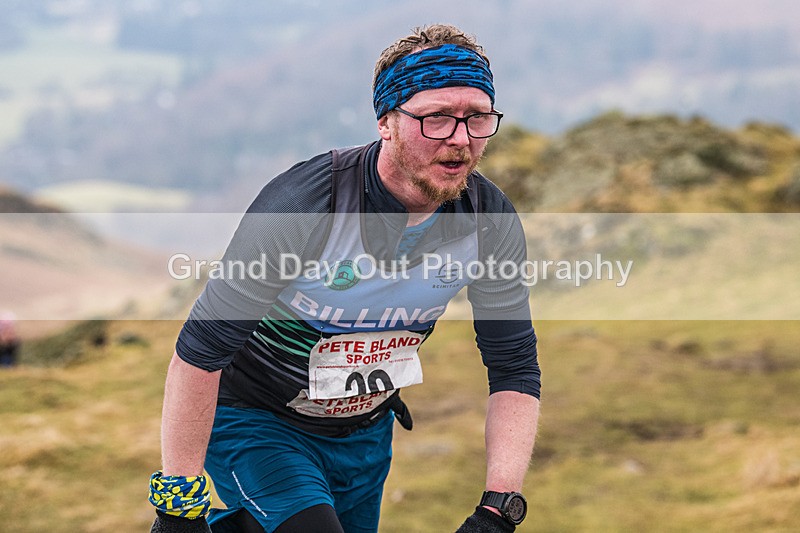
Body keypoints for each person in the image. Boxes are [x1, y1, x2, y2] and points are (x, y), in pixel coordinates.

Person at [149, 23, 541, 533]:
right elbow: (200, 351)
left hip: (365, 437)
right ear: (387, 122)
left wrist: (498, 510)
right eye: (437, 119)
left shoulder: (489, 220)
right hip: (257, 421)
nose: (461, 139)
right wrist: (177, 505)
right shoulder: (307, 205)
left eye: (477, 118)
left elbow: (513, 366)